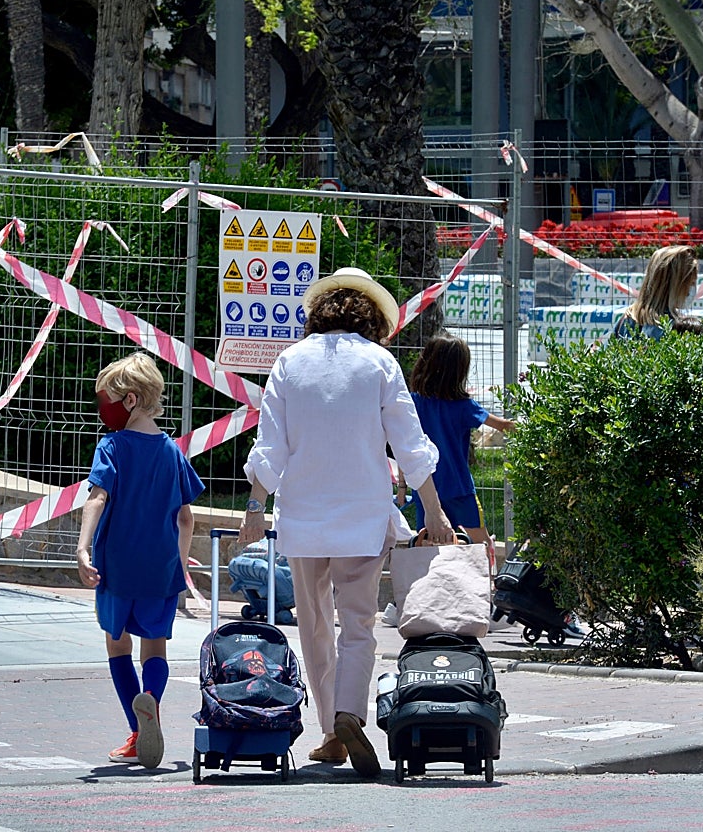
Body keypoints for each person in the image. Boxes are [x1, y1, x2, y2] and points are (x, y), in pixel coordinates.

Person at [238, 267, 455, 778]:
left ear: (321, 311)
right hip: (363, 514)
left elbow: (271, 445)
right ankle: (349, 711)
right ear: (372, 315)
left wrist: (254, 506)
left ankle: (332, 735)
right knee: (357, 623)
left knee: (313, 624)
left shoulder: (289, 362)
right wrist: (434, 509)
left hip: (304, 517)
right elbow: (409, 441)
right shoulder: (380, 363)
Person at [76, 352, 204, 769]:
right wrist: (179, 566)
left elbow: (98, 497)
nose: (103, 411)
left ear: (129, 400)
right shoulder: (172, 453)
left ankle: (136, 728)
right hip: (160, 568)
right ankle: (151, 701)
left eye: (106, 402)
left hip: (116, 564)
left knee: (117, 642)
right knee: (156, 646)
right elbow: (186, 518)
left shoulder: (112, 446)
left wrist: (82, 547)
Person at [406, 334, 516, 548]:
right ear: (460, 370)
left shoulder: (413, 403)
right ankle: (488, 579)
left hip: (425, 487)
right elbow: (502, 425)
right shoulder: (465, 406)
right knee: (481, 543)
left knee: (427, 543)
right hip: (459, 487)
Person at [612, 245, 699, 341]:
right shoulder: (663, 327)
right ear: (672, 285)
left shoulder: (628, 317)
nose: (690, 291)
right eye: (690, 283)